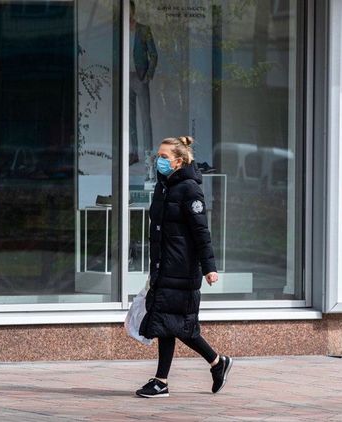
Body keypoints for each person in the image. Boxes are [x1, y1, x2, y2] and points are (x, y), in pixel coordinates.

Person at [136, 136, 232, 398]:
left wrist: (209, 267)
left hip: (181, 268)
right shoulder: (163, 187)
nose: (159, 160)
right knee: (166, 322)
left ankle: (173, 377)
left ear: (178, 161)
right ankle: (205, 366)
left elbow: (201, 232)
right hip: (163, 265)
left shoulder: (189, 189)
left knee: (177, 325)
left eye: (164, 157)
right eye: (158, 156)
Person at [129, 0, 158, 166]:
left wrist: (148, 76)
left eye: (129, 10)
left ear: (133, 11)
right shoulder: (120, 31)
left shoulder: (143, 30)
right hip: (126, 78)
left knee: (146, 118)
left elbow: (154, 54)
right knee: (129, 118)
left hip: (140, 77)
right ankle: (133, 153)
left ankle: (148, 155)